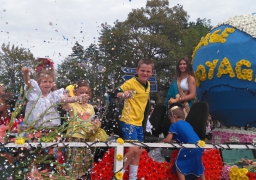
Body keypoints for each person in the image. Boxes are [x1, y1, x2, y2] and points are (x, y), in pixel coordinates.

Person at [22, 58, 86, 131]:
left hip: (52, 129)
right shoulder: (34, 95)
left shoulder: (53, 95)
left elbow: (65, 99)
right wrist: (26, 74)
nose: (48, 84)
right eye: (45, 81)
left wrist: (77, 98)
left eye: (50, 82)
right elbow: (28, 84)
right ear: (38, 83)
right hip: (34, 129)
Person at [116, 58, 154, 180]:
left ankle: (133, 177)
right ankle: (118, 173)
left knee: (138, 151)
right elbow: (117, 92)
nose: (145, 73)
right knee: (132, 150)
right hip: (128, 120)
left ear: (152, 73)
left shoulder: (148, 85)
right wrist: (124, 94)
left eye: (148, 71)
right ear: (137, 70)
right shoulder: (131, 82)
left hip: (139, 122)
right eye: (142, 70)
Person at [63, 80, 107, 179]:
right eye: (81, 92)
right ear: (75, 93)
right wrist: (68, 93)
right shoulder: (73, 105)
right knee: (73, 167)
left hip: (87, 139)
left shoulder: (91, 107)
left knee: (86, 167)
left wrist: (96, 124)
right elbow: (64, 103)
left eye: (86, 93)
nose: (84, 95)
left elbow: (91, 121)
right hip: (75, 138)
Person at [161, 105, 205, 180]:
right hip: (200, 146)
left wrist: (162, 140)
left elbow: (168, 139)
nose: (170, 121)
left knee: (179, 165)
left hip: (189, 147)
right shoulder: (187, 124)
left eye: (170, 119)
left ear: (174, 116)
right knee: (198, 165)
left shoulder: (174, 125)